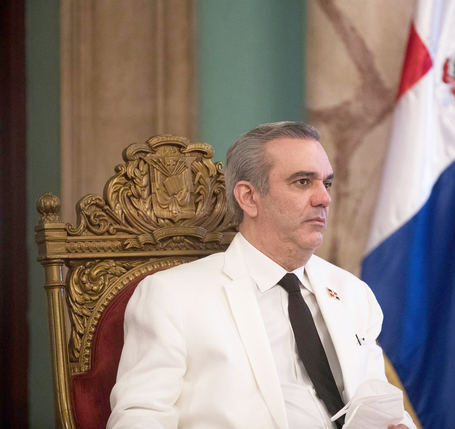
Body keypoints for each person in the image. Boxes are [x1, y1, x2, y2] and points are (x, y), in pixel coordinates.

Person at [107, 122, 414, 428]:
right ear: (249, 198)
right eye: (303, 182)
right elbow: (139, 418)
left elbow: (382, 404)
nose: (324, 199)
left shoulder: (352, 293)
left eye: (327, 183)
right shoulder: (172, 297)